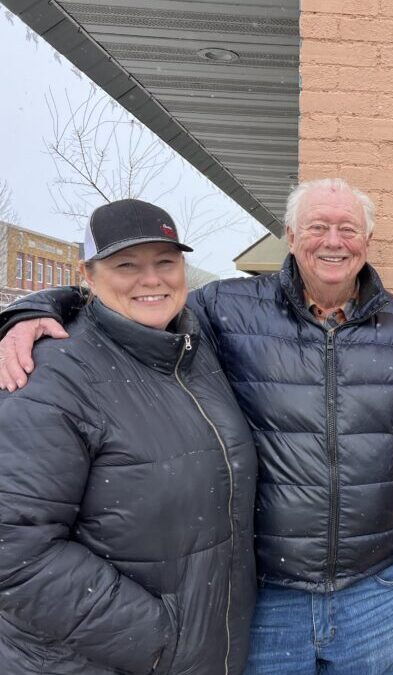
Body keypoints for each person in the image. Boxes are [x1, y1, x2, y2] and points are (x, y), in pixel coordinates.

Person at [0, 178, 393, 675]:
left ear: (367, 241)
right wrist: (33, 311)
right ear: (289, 234)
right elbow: (136, 305)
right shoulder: (225, 309)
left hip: (375, 592)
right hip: (266, 599)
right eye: (317, 226)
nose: (333, 240)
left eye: (348, 228)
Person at [0, 199, 257, 673]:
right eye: (126, 265)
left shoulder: (193, 354)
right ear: (89, 275)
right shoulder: (49, 378)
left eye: (165, 262)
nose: (152, 279)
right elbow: (14, 552)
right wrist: (159, 640)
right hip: (108, 660)